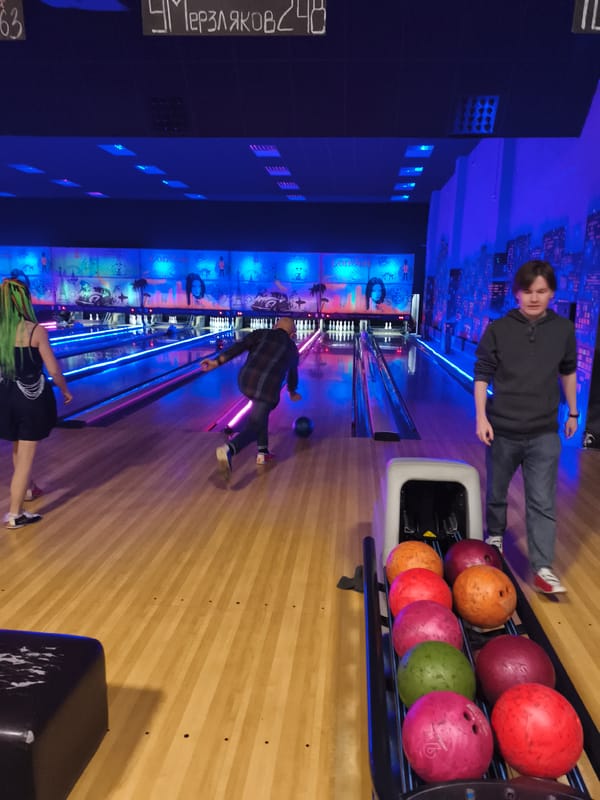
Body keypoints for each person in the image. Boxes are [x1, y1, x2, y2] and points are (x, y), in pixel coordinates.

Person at [473, 260, 578, 594]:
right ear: (516, 293)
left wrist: (574, 413)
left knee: (542, 501)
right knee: (496, 493)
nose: (534, 298)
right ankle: (495, 539)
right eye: (528, 291)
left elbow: (568, 371)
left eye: (541, 291)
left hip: (544, 432)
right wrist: (481, 417)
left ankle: (543, 568)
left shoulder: (564, 330)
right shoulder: (499, 329)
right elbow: (482, 374)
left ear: (552, 293)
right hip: (502, 428)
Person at [0, 278, 73, 529]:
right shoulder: (35, 331)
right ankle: (15, 514)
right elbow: (53, 369)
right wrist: (65, 390)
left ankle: (29, 490)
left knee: (18, 448)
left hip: (5, 397)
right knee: (25, 457)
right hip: (30, 398)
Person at [200, 317, 301, 472]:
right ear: (293, 335)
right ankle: (229, 449)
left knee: (260, 415)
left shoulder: (261, 333)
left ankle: (263, 452)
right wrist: (292, 391)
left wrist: (216, 362)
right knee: (255, 425)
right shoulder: (292, 349)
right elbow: (292, 375)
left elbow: (238, 348)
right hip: (267, 389)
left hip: (246, 381)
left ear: (274, 326)